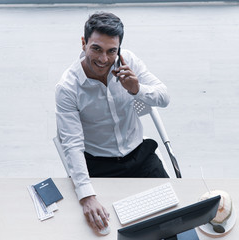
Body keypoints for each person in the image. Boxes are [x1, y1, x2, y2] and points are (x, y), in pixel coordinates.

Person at [55, 12, 170, 234]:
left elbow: (164, 97)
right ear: (83, 43)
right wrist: (86, 196)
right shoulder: (67, 88)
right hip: (99, 165)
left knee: (169, 219)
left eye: (111, 51)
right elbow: (72, 144)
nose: (104, 59)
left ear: (119, 49)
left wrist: (137, 89)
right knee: (105, 229)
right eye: (96, 48)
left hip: (140, 156)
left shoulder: (130, 61)